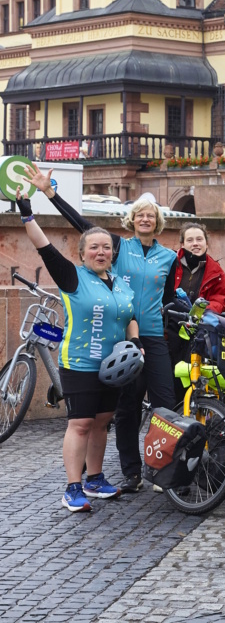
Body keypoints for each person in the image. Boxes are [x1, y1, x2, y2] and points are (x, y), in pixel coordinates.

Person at [26, 163, 176, 495]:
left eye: (151, 215)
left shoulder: (169, 256)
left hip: (150, 337)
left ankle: (164, 469)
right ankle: (131, 472)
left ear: (158, 221)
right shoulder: (118, 247)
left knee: (166, 403)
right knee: (126, 407)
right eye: (140, 215)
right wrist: (50, 193)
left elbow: (168, 298)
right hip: (119, 339)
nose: (145, 219)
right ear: (132, 220)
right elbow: (82, 227)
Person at [14, 190, 139, 512]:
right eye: (94, 247)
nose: (101, 252)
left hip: (112, 366)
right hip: (80, 363)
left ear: (113, 253)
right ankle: (73, 487)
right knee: (81, 423)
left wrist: (135, 344)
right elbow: (44, 248)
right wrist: (27, 214)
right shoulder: (73, 277)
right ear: (82, 253)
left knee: (102, 422)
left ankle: (95, 479)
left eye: (106, 248)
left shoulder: (122, 284)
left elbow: (131, 316)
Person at [167, 223, 225, 400]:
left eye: (199, 239)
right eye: (190, 240)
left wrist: (204, 310)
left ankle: (191, 409)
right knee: (170, 375)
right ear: (182, 244)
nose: (195, 243)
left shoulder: (215, 270)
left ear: (206, 243)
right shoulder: (170, 262)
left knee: (190, 374)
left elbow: (222, 298)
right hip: (171, 326)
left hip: (198, 329)